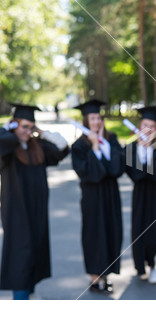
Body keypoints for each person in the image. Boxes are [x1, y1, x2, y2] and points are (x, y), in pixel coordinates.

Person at [0, 103, 68, 300]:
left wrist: (41, 132)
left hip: (36, 212)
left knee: (35, 253)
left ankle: (29, 293)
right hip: (16, 214)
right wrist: (10, 129)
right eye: (24, 127)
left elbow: (62, 146)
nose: (28, 132)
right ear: (14, 126)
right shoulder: (8, 151)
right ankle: (20, 299)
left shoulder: (37, 147)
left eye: (31, 127)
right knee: (20, 256)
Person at [71, 99, 125, 293]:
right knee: (94, 234)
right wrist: (94, 147)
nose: (96, 122)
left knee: (111, 231)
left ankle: (106, 275)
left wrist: (104, 146)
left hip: (111, 195)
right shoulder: (79, 146)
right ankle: (95, 278)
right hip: (92, 197)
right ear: (85, 120)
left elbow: (117, 169)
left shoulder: (112, 139)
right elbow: (92, 175)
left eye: (98, 118)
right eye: (92, 118)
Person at [124, 106, 156, 284]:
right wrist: (141, 150)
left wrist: (150, 150)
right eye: (145, 125)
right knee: (140, 231)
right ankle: (145, 266)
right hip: (141, 196)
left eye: (152, 126)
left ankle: (150, 260)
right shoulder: (131, 147)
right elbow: (135, 176)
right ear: (139, 126)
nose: (148, 130)